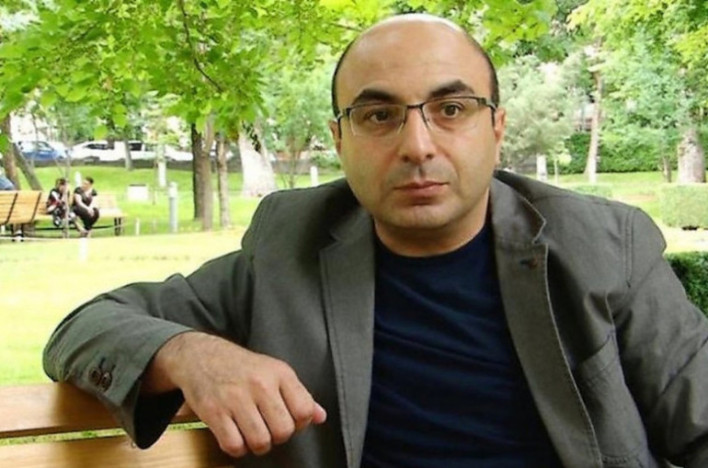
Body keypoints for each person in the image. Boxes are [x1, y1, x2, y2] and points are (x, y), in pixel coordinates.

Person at [43, 14, 708, 468]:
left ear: (497, 128)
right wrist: (191, 353)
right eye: (379, 115)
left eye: (451, 109)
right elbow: (84, 328)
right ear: (340, 139)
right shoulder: (287, 248)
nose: (417, 146)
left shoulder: (603, 245)